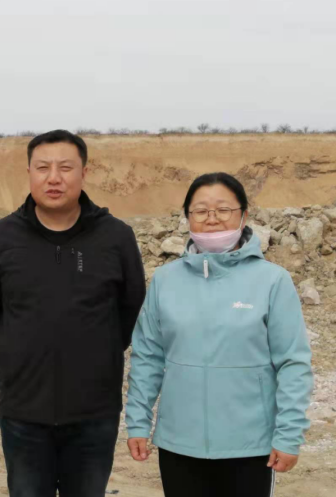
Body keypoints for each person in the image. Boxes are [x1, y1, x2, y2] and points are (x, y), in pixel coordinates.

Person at [0, 129, 146, 497]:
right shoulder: (0, 237)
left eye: (65, 168)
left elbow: (131, 306)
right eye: (43, 168)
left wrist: (98, 350)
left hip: (94, 413)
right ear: (29, 173)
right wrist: (17, 349)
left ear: (84, 172)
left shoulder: (116, 237)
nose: (54, 178)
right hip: (23, 411)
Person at [125, 172, 313, 497]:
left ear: (244, 215)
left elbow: (293, 364)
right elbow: (147, 357)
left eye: (223, 209)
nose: (212, 219)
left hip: (250, 445)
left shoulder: (272, 281)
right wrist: (138, 422)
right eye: (200, 210)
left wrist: (288, 435)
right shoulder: (165, 281)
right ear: (187, 217)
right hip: (178, 443)